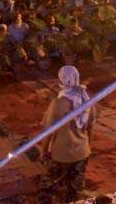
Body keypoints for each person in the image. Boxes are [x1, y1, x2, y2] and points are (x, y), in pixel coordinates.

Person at [38, 65, 95, 203]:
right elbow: (90, 129)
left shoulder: (57, 103)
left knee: (47, 188)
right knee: (74, 191)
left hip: (60, 155)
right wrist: (88, 148)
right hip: (81, 153)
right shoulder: (87, 101)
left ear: (61, 80)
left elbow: (48, 132)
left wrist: (44, 151)